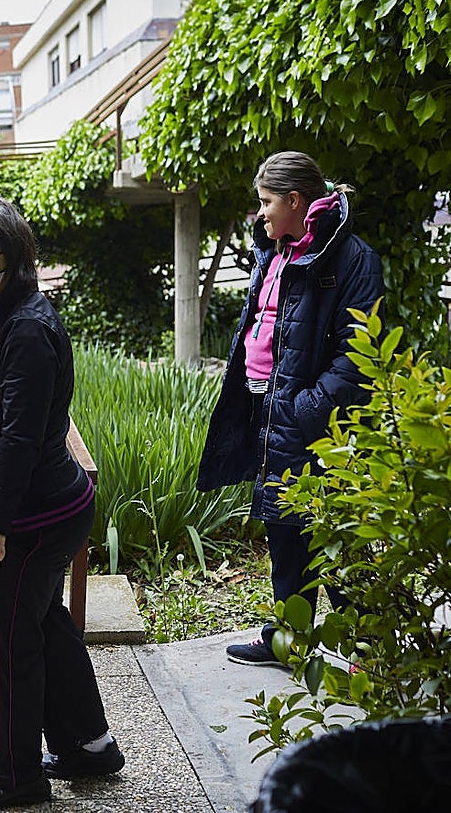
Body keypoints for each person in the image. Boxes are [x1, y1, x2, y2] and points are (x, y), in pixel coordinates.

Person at [0, 200, 123, 811]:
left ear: (14, 260)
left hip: (34, 516)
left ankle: (13, 776)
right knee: (44, 625)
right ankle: (89, 748)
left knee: (3, 642)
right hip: (41, 504)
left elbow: (21, 435)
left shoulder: (27, 328)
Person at [197, 151, 384, 668]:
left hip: (315, 421)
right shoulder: (275, 250)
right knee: (284, 526)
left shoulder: (352, 260)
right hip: (269, 408)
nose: (259, 213)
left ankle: (368, 649)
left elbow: (358, 354)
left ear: (296, 201)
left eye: (266, 202)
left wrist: (304, 408)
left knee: (336, 536)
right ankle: (287, 639)